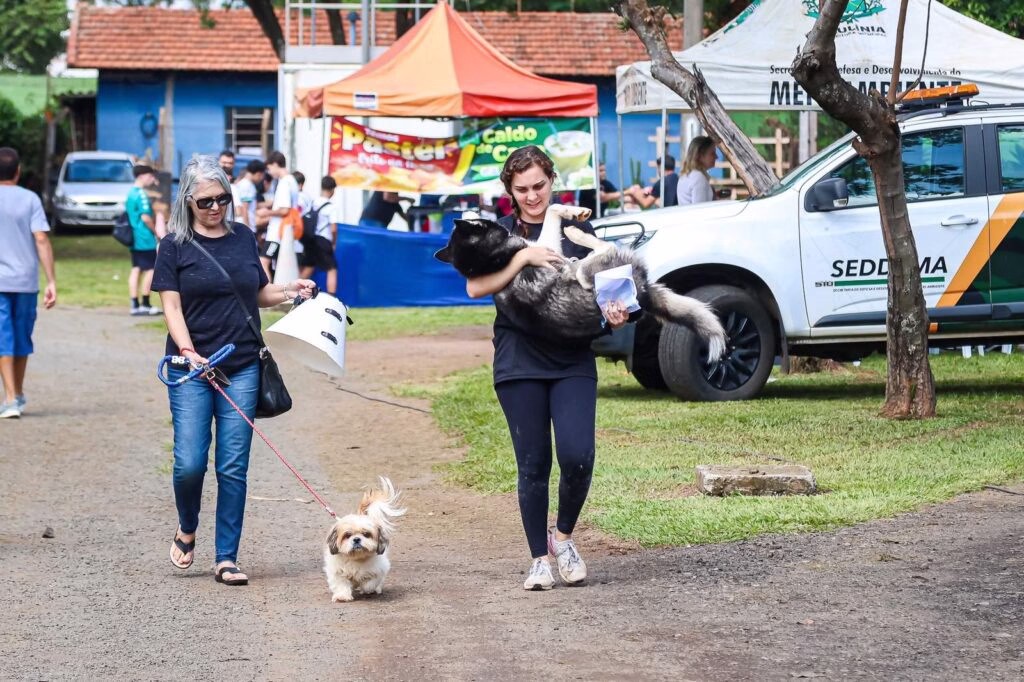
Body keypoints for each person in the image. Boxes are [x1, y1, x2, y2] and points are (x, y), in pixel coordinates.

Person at [463, 145, 629, 591]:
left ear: (552, 181)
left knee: (578, 457)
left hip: (571, 355)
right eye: (522, 190)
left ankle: (564, 538)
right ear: (510, 191)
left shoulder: (578, 229)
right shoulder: (499, 234)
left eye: (539, 186)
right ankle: (539, 558)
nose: (532, 196)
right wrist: (523, 257)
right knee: (533, 464)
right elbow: (476, 286)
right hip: (519, 360)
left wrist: (613, 312)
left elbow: (603, 287)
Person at [152, 154, 315, 585]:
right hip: (191, 369)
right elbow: (171, 305)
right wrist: (188, 351)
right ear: (187, 201)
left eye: (222, 198)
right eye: (205, 201)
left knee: (232, 465)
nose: (214, 207)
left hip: (241, 364)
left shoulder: (244, 237)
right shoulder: (173, 245)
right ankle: (188, 528)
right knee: (189, 462)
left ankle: (227, 556)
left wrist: (291, 291)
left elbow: (258, 293)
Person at [0, 147, 57, 419]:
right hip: (25, 281)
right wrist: (51, 281)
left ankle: (12, 397)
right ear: (18, 171)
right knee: (21, 337)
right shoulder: (30, 199)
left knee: (4, 339)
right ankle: (15, 394)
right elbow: (42, 239)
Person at [255, 151, 300, 277]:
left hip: (277, 233)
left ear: (275, 164)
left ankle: (268, 294)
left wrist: (266, 212)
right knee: (276, 267)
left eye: (269, 168)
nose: (269, 172)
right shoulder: (292, 181)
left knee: (263, 262)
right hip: (286, 232)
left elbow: (284, 210)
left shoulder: (284, 182)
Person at [125, 164, 162, 316]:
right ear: (142, 176)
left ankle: (134, 304)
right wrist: (156, 232)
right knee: (151, 269)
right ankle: (145, 304)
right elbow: (146, 217)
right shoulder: (141, 194)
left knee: (136, 269)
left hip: (134, 236)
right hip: (144, 237)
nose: (152, 179)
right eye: (151, 176)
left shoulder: (130, 193)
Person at [299, 176, 340, 297]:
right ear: (333, 190)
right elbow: (333, 229)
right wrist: (333, 243)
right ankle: (332, 296)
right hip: (323, 239)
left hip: (309, 239)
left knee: (309, 266)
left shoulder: (313, 202)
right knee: (332, 268)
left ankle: (296, 292)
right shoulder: (331, 207)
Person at [677, 136, 717, 206]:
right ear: (700, 155)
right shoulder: (698, 178)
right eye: (712, 153)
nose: (716, 157)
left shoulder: (685, 175)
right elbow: (700, 210)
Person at [231, 159, 265, 231]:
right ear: (258, 174)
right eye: (262, 175)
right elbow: (244, 208)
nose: (262, 179)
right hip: (246, 226)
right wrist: (247, 229)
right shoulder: (247, 185)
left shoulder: (246, 184)